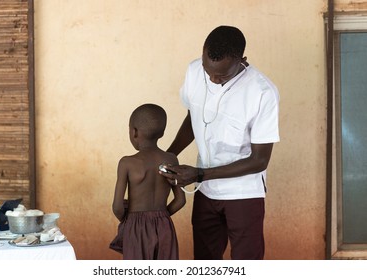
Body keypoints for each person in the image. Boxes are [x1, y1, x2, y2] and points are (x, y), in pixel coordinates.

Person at [159, 26, 280, 260]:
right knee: (205, 261)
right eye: (208, 71)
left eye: (222, 75)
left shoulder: (262, 92)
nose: (213, 79)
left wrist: (201, 174)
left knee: (246, 264)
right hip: (206, 192)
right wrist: (169, 155)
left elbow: (259, 161)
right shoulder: (194, 71)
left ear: (241, 61)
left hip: (243, 194)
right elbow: (192, 117)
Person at [112, 103, 186, 260]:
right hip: (164, 225)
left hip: (135, 227)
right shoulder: (171, 159)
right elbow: (180, 200)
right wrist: (162, 215)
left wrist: (130, 220)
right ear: (163, 132)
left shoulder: (127, 163)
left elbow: (117, 207)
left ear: (134, 132)